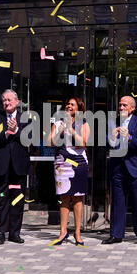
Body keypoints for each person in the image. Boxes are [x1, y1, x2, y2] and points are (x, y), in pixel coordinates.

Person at [0, 89, 31, 245]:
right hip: (1, 167)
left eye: (9, 100)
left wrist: (16, 130)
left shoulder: (25, 118)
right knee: (1, 200)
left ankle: (14, 233)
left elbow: (30, 139)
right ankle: (1, 233)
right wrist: (5, 134)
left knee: (17, 200)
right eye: (4, 100)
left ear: (17, 102)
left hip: (18, 168)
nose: (6, 103)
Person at [102, 96, 137, 247]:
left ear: (132, 108)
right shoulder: (113, 123)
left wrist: (128, 136)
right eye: (120, 105)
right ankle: (116, 234)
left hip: (135, 167)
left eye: (124, 105)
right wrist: (111, 137)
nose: (121, 108)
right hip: (118, 168)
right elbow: (105, 144)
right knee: (117, 202)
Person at [48, 97, 90, 246]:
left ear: (78, 108)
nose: (68, 106)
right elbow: (50, 142)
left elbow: (83, 143)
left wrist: (70, 129)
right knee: (64, 198)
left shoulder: (83, 124)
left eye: (72, 104)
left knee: (78, 198)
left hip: (78, 163)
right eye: (67, 104)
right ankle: (63, 232)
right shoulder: (58, 122)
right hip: (62, 163)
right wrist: (60, 128)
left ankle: (77, 233)